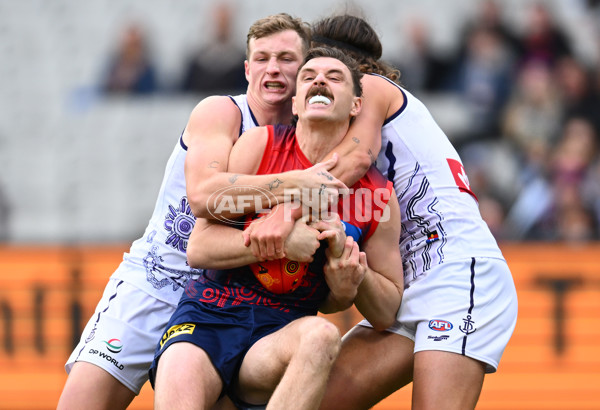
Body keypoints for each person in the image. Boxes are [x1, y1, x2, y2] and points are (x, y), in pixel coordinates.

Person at [57, 13, 349, 410]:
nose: (273, 69)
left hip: (227, 301)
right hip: (158, 281)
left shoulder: (308, 134)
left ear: (304, 69)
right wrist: (295, 184)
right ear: (246, 68)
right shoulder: (222, 112)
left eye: (286, 58)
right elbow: (205, 197)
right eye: (262, 58)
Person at [150, 47, 404, 410]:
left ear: (356, 107)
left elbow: (386, 311)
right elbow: (200, 247)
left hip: (280, 331)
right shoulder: (259, 145)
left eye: (335, 78)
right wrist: (281, 240)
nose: (320, 80)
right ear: (296, 103)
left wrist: (352, 278)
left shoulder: (377, 194)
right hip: (210, 315)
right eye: (309, 76)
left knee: (321, 336)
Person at [297, 15, 517, 410]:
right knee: (312, 402)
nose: (314, 80)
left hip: (457, 270)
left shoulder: (376, 88)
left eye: (321, 66)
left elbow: (356, 160)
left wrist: (268, 202)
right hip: (412, 282)